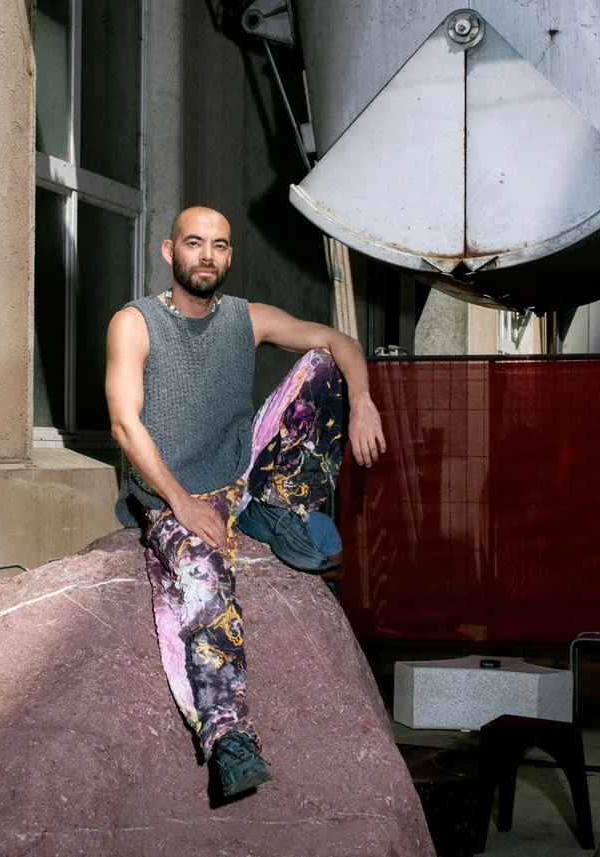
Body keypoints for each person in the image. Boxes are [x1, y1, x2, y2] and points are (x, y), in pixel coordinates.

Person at [105, 206, 385, 797]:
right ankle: (229, 736)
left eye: (219, 246)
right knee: (206, 582)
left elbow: (339, 340)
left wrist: (362, 401)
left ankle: (279, 507)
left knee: (320, 364)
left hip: (242, 476)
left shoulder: (245, 319)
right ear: (169, 251)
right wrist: (179, 503)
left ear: (229, 257)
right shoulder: (134, 323)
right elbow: (126, 425)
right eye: (194, 243)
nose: (206, 255)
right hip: (172, 493)